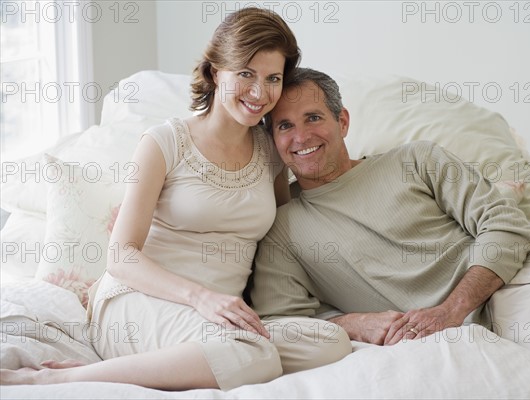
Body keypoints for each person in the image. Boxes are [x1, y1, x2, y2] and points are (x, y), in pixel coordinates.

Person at [0, 11, 350, 390]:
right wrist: (201, 298)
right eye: (245, 74)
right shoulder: (163, 142)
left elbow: (280, 240)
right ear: (216, 72)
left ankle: (208, 354)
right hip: (137, 301)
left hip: (217, 318)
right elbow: (120, 255)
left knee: (330, 343)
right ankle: (56, 377)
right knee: (252, 355)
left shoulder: (270, 152)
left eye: (273, 79)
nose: (259, 92)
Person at [250, 67, 530, 374]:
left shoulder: (416, 158)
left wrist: (451, 309)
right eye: (284, 126)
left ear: (342, 122)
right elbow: (281, 324)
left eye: (313, 117)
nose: (301, 137)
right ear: (273, 141)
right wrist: (356, 324)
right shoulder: (282, 229)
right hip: (508, 309)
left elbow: (504, 222)